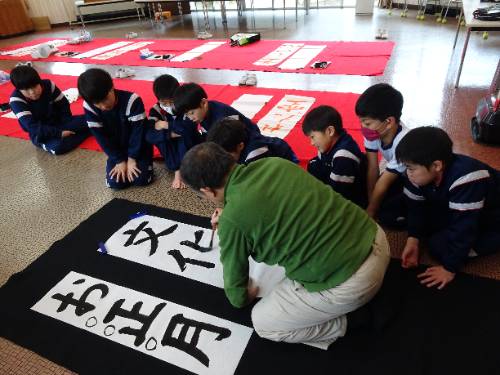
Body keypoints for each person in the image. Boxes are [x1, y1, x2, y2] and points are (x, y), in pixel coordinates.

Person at [180, 142, 390, 349]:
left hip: (356, 282)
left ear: (206, 190)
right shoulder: (274, 163)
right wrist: (230, 217)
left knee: (263, 323)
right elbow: (271, 201)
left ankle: (354, 320)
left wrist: (245, 292)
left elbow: (236, 294)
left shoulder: (232, 222)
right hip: (375, 236)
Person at [396, 127, 500, 289]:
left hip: (492, 215)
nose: (408, 173)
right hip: (462, 208)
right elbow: (415, 208)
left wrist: (450, 268)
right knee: (394, 212)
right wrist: (413, 239)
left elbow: (464, 228)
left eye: (411, 168)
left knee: (439, 247)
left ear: (436, 165)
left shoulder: (467, 178)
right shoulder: (417, 175)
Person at [77, 68, 153, 189]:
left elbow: (138, 133)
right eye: (98, 104)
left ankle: (141, 162)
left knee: (141, 179)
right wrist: (119, 160)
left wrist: (132, 159)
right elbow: (101, 138)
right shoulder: (89, 106)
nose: (103, 106)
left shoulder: (132, 101)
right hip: (117, 150)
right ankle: (115, 161)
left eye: (105, 99)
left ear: (112, 88)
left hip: (138, 148)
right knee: (115, 183)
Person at [355, 83, 409, 228]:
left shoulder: (404, 143)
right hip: (393, 174)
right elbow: (372, 167)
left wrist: (371, 212)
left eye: (366, 123)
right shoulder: (374, 132)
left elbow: (385, 181)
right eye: (361, 122)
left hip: (411, 180)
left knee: (388, 215)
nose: (363, 127)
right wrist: (370, 200)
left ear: (389, 122)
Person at [9, 65, 89, 154]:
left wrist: (67, 122)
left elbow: (63, 105)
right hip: (40, 132)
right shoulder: (16, 100)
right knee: (58, 147)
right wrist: (59, 133)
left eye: (35, 86)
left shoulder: (48, 85)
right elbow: (32, 126)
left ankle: (81, 131)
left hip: (59, 122)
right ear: (19, 90)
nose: (32, 92)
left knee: (90, 118)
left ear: (39, 81)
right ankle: (88, 131)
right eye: (26, 90)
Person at [302, 105, 367, 208]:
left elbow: (338, 196)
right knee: (312, 165)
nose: (311, 143)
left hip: (351, 198)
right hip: (335, 176)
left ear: (330, 131)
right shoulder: (328, 145)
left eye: (313, 137)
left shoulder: (343, 157)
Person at [146, 74, 202, 189]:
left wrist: (165, 124)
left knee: (184, 134)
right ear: (158, 100)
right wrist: (169, 134)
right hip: (171, 147)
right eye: (164, 103)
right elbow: (149, 135)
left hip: (190, 145)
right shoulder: (156, 110)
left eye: (171, 102)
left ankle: (182, 169)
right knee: (161, 138)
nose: (168, 106)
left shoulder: (184, 105)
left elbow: (189, 128)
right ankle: (177, 169)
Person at [173, 82, 261, 137]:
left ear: (204, 103)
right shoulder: (201, 114)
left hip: (248, 138)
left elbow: (235, 141)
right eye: (187, 114)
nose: (190, 117)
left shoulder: (223, 119)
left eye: (191, 113)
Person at [207, 117, 298, 164]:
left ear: (240, 146)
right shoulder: (235, 138)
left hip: (285, 158)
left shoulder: (255, 154)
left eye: (227, 155)